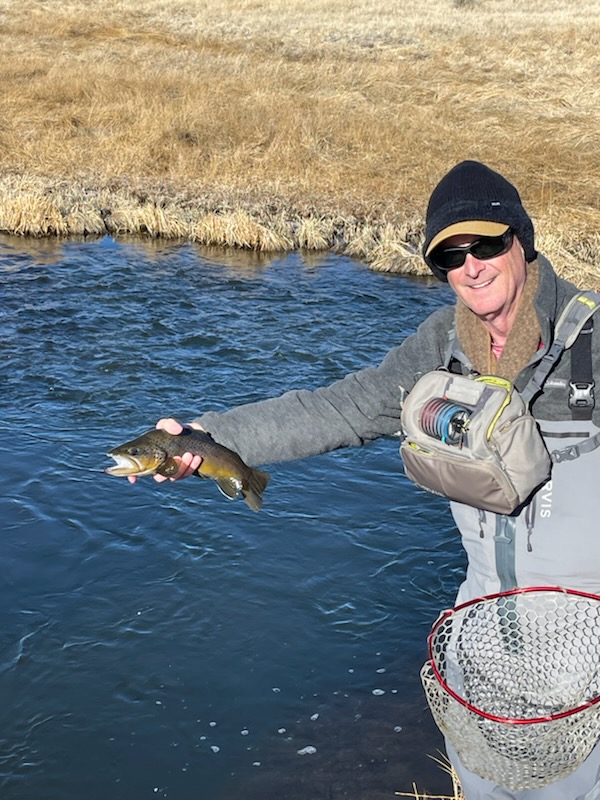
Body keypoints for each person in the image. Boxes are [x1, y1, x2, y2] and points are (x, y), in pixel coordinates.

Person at [128, 160, 600, 799]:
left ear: (522, 239)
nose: (473, 267)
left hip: (587, 669)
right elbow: (337, 409)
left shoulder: (591, 342)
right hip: (483, 659)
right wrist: (207, 440)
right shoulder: (440, 349)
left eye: (487, 244)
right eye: (450, 257)